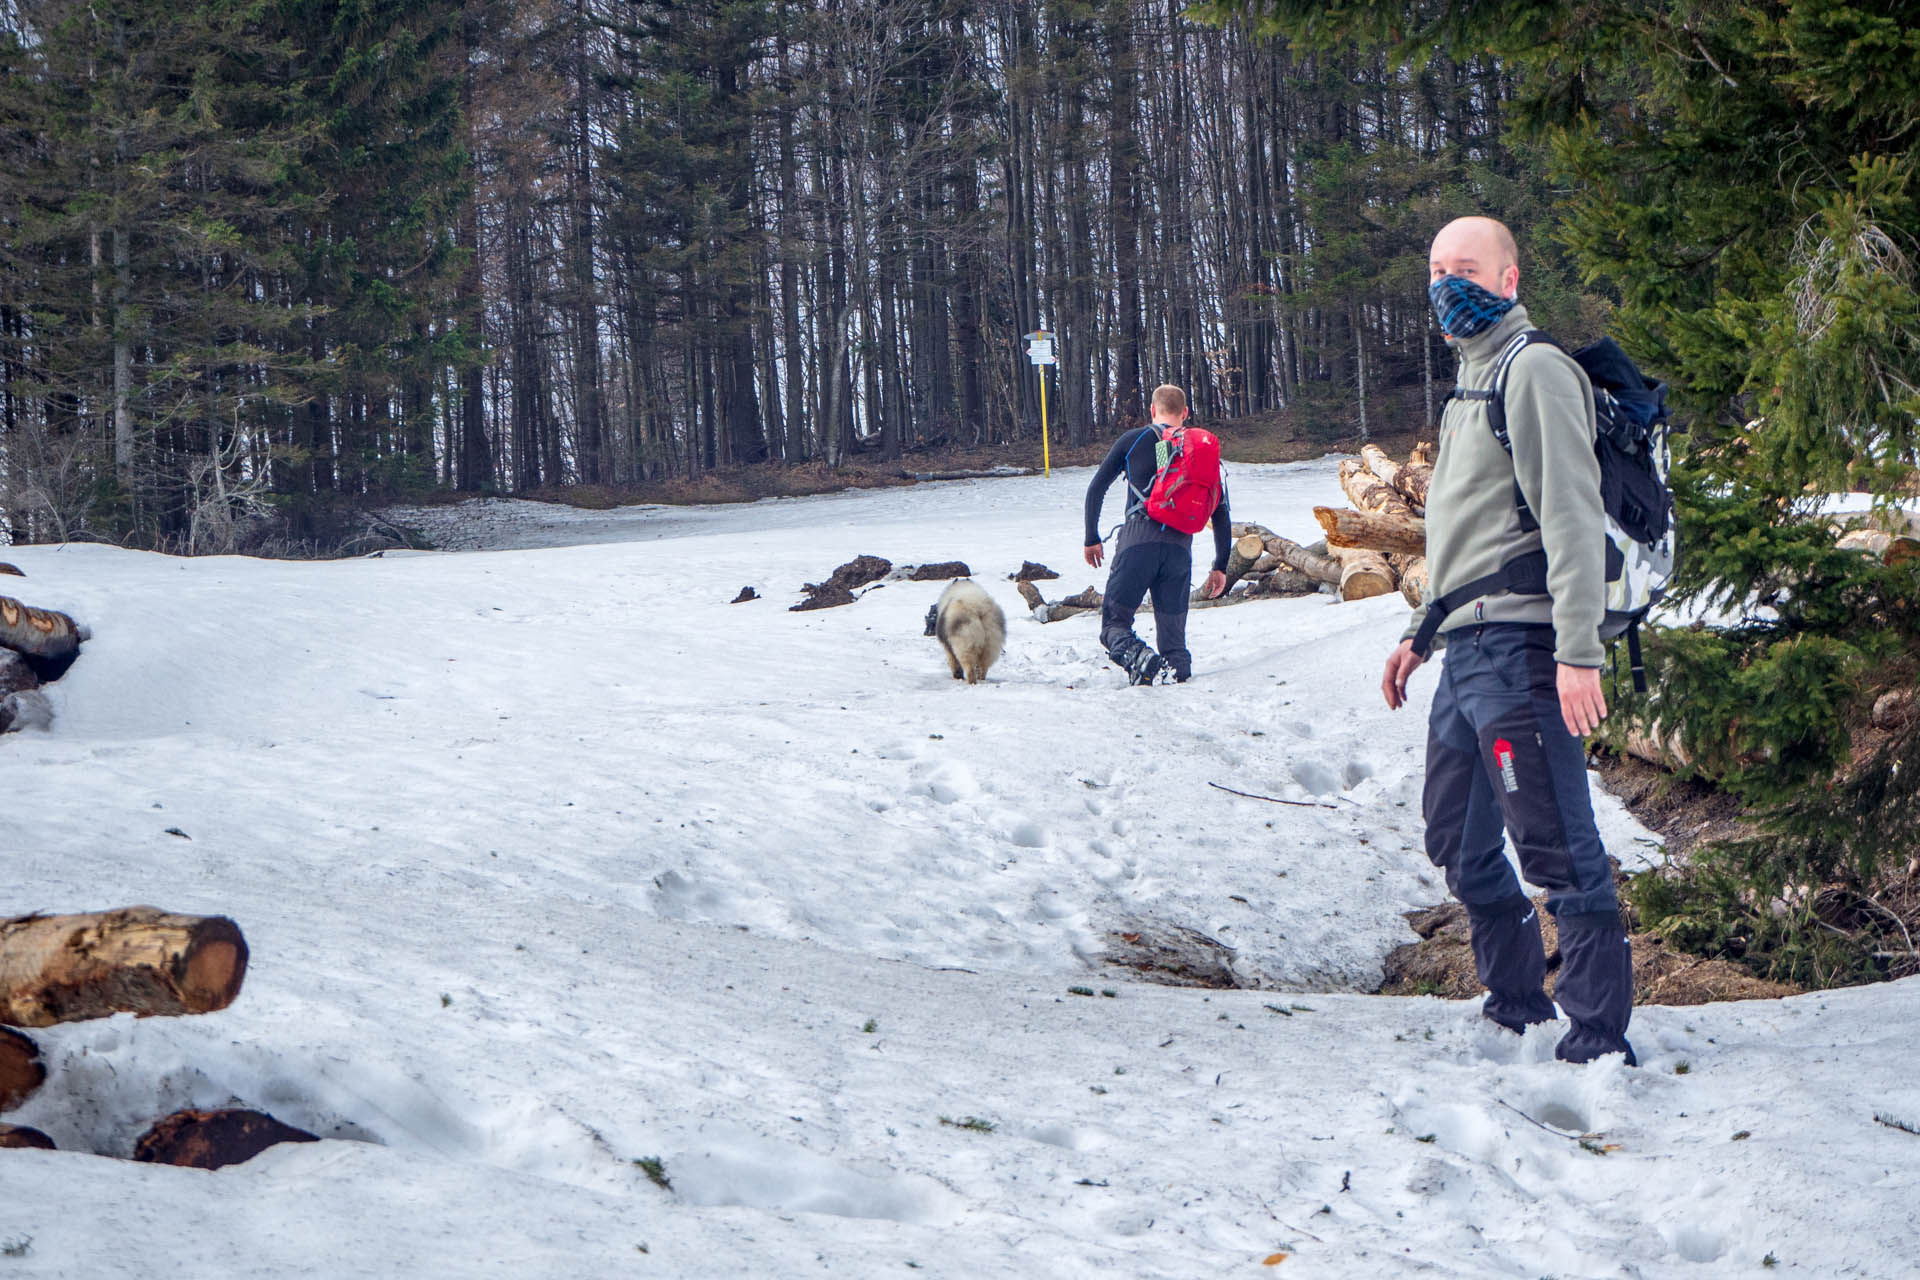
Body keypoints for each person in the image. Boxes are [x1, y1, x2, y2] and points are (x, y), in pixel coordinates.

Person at [1381, 215, 1636, 1065]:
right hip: (1466, 650)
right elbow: (1467, 533)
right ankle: (1516, 998)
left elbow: (1571, 521)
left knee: (1558, 848)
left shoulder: (1535, 373)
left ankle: (1598, 1038)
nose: (1450, 283)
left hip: (1527, 651)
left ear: (1510, 280)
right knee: (1455, 837)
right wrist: (1422, 633)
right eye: (1438, 269)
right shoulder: (1469, 385)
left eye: (1469, 269)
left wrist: (1578, 652)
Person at [1082, 385, 1230, 685]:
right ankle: (1173, 673)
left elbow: (1096, 488)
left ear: (1153, 410)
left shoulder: (1134, 439)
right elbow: (1221, 512)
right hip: (1179, 549)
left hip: (1139, 542)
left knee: (1114, 625)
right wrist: (1220, 566)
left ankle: (1141, 659)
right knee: (1174, 646)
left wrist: (1091, 537)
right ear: (1185, 413)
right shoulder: (1199, 451)